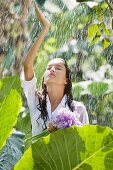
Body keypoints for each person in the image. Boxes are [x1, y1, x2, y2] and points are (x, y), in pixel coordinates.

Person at [20, 3, 89, 137]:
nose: (52, 70)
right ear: (44, 80)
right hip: (38, 158)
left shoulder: (77, 109)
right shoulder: (35, 101)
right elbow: (27, 65)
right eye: (48, 68)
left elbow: (84, 144)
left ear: (66, 80)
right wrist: (45, 28)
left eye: (58, 68)